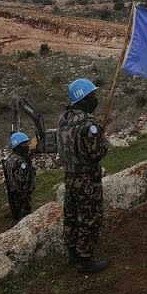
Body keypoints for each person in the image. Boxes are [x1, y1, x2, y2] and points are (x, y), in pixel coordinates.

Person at [57, 78, 110, 274]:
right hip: (87, 179)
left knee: (71, 216)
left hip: (69, 177)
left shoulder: (64, 120)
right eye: (93, 95)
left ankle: (72, 253)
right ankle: (85, 260)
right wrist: (103, 141)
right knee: (90, 217)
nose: (96, 99)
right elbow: (95, 154)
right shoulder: (89, 123)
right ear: (84, 98)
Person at [2, 131, 36, 225]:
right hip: (21, 196)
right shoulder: (19, 162)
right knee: (23, 217)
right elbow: (22, 181)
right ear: (18, 146)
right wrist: (26, 193)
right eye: (24, 144)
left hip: (15, 194)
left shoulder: (11, 159)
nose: (27, 146)